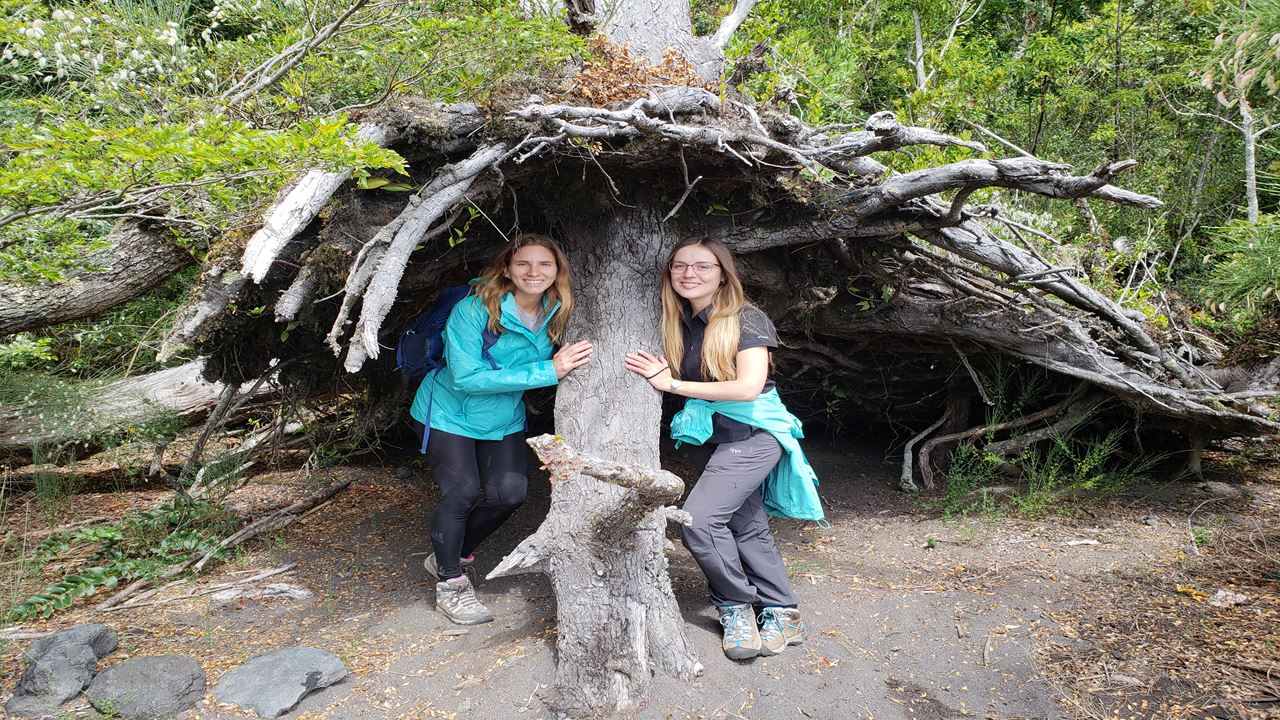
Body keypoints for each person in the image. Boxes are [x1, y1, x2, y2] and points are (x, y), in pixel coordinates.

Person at [625, 237, 823, 661]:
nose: (689, 274)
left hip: (754, 434)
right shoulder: (680, 320)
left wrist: (671, 384)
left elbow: (749, 387)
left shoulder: (746, 319)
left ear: (722, 273)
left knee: (699, 521)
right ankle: (784, 613)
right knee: (747, 525)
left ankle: (734, 605)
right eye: (680, 266)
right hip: (710, 436)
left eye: (702, 266)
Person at [410, 233, 593, 625]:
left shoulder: (558, 309)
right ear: (507, 269)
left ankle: (450, 553)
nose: (534, 272)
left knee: (509, 494)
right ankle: (451, 584)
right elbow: (466, 378)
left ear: (557, 271)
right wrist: (550, 371)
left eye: (544, 264)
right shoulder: (474, 310)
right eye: (524, 263)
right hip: (447, 412)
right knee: (461, 491)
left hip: (503, 416)